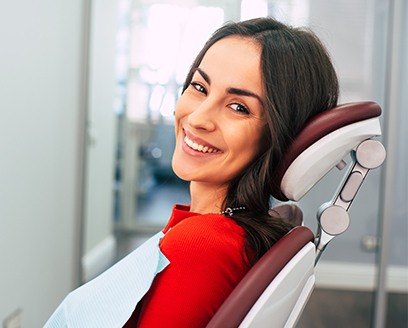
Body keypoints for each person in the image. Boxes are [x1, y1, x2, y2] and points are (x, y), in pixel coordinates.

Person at [44, 16, 338, 328]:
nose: (198, 118)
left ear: (281, 134)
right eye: (199, 87)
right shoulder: (218, 233)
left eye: (239, 107)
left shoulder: (201, 246)